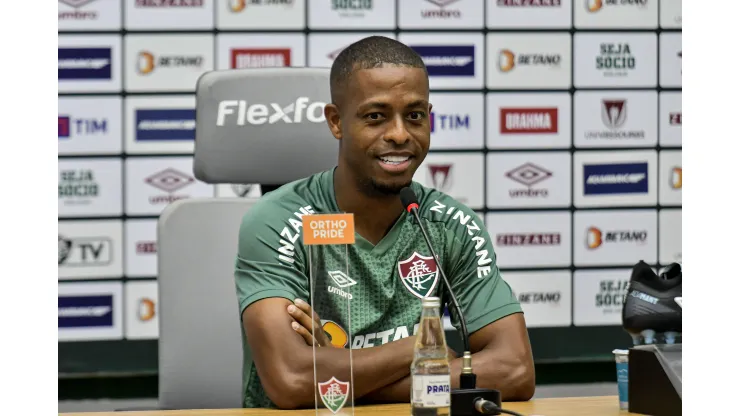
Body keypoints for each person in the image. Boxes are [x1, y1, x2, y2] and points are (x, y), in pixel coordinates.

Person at [234, 35, 535, 410]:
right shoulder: (278, 220)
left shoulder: (451, 223)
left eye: (414, 116)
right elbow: (292, 380)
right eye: (375, 116)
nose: (399, 134)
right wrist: (424, 347)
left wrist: (338, 374)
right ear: (336, 122)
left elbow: (516, 370)